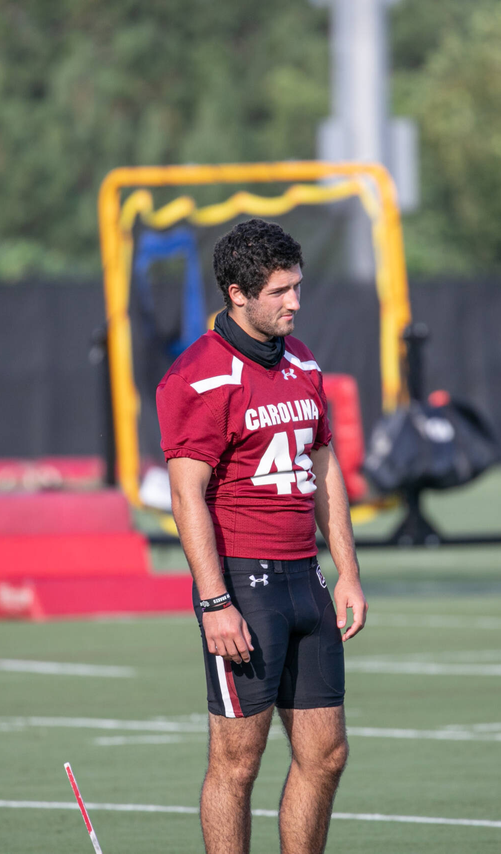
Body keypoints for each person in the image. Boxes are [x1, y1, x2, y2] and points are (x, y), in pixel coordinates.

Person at [156, 218, 367, 854]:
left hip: (305, 575)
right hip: (243, 585)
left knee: (326, 755)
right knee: (237, 762)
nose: (295, 302)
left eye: (297, 287)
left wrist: (348, 571)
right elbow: (185, 493)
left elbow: (323, 470)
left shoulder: (303, 361)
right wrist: (215, 601)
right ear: (237, 293)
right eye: (279, 292)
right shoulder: (197, 376)